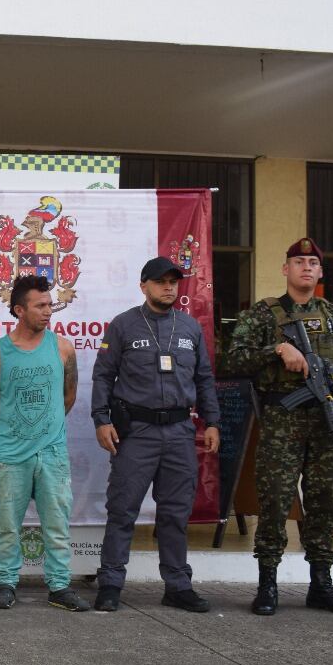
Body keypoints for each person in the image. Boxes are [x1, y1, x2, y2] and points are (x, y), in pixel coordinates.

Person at [226, 237, 333, 616]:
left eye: (313, 263)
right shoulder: (263, 315)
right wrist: (277, 350)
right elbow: (234, 359)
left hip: (328, 422)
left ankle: (321, 584)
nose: (306, 267)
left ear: (320, 272)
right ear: (285, 269)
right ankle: (267, 585)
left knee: (326, 502)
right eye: (299, 261)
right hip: (282, 420)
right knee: (274, 502)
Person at [90, 256, 220, 613]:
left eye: (173, 282)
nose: (168, 288)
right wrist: (101, 419)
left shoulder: (190, 328)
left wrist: (212, 421)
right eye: (161, 282)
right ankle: (111, 583)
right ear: (143, 285)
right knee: (122, 510)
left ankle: (177, 586)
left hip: (179, 432)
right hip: (137, 432)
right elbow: (103, 376)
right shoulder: (123, 325)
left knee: (175, 514)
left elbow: (204, 378)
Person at [0, 275, 89, 612]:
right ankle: (5, 584)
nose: (48, 311)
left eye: (49, 305)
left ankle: (59, 586)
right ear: (19, 310)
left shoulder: (63, 348)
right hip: (11, 455)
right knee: (7, 527)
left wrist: (47, 430)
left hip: (52, 454)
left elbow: (68, 397)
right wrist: (19, 433)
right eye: (40, 305)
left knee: (57, 526)